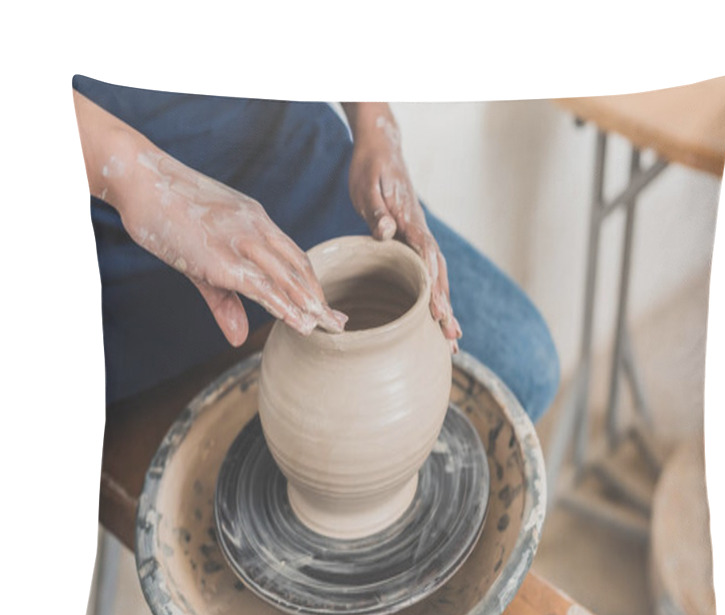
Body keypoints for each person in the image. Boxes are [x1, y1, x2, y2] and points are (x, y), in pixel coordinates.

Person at [72, 76, 558, 420]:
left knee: (522, 364)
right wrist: (140, 179)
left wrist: (374, 122)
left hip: (284, 160)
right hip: (103, 213)